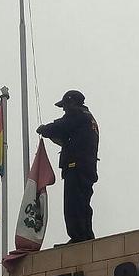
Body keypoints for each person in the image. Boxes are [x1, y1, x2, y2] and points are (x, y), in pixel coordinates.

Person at [37, 90, 99, 243]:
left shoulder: (78, 116)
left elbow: (60, 127)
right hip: (86, 167)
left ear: (73, 103)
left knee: (73, 204)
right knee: (82, 203)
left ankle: (78, 236)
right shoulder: (88, 119)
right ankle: (85, 235)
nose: (64, 109)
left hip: (76, 167)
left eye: (65, 106)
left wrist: (44, 129)